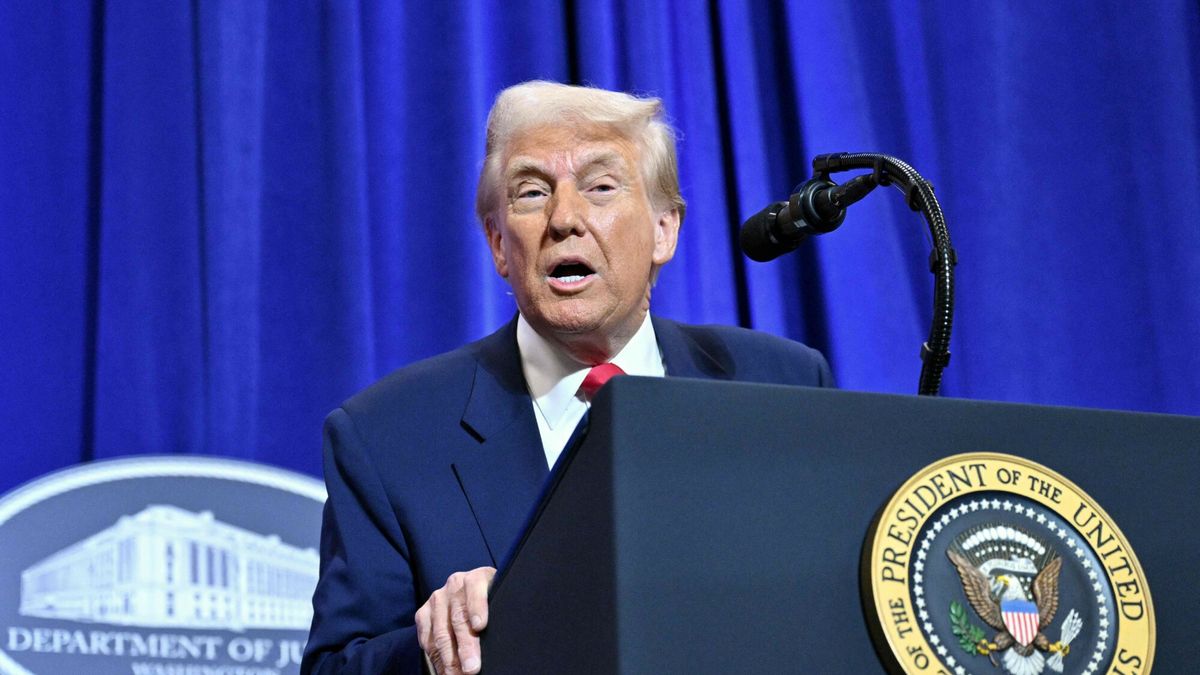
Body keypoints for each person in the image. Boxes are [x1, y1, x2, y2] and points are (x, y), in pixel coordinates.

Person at [301, 81, 833, 675]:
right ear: (500, 244)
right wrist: (431, 650)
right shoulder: (386, 436)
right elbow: (335, 668)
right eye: (531, 193)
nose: (564, 219)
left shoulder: (781, 384)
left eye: (601, 187)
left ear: (665, 229)